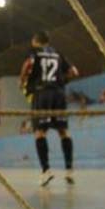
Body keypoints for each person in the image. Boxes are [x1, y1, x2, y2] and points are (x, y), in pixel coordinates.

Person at [20, 30, 79, 186]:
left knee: (40, 132)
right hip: (59, 94)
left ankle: (46, 171)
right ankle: (69, 170)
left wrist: (22, 82)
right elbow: (74, 72)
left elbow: (28, 65)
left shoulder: (35, 53)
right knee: (63, 131)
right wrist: (61, 82)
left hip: (42, 94)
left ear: (35, 40)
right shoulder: (58, 53)